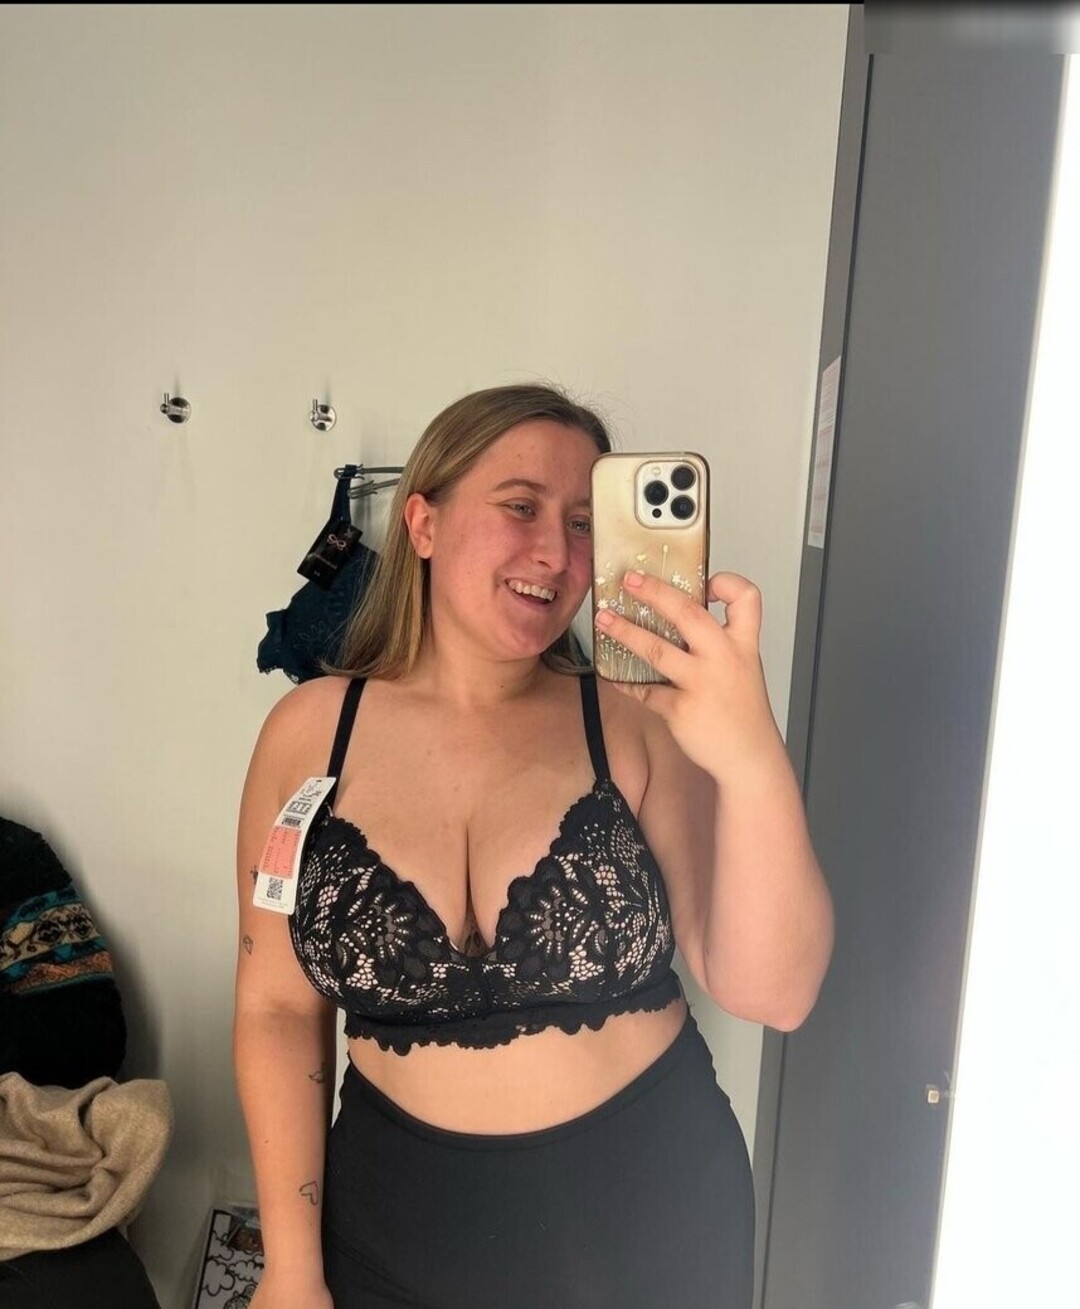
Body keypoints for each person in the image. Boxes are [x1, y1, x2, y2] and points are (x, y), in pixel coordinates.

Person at [232, 384, 834, 1309]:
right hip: (389, 1237)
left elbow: (775, 992)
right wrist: (290, 1266)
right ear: (423, 522)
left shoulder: (636, 719)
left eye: (585, 522)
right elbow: (276, 1007)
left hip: (651, 1224)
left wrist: (752, 755)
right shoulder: (309, 735)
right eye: (521, 506)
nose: (557, 551)